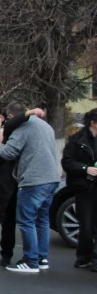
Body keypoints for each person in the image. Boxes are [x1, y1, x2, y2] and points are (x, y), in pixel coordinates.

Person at [0, 101, 60, 274]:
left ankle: (30, 261)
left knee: (27, 221)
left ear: (12, 117)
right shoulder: (45, 126)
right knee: (42, 221)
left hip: (33, 180)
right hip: (51, 178)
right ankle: (42, 258)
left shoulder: (23, 128)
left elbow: (8, 153)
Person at [62, 108, 97, 270]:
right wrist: (85, 169)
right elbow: (67, 162)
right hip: (84, 188)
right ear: (93, 123)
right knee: (86, 225)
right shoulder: (77, 140)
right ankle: (84, 257)